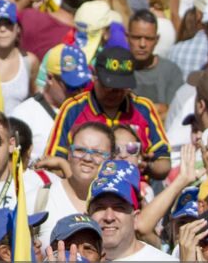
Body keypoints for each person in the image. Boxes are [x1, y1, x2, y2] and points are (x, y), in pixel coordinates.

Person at [46, 46, 172, 181]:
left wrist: (146, 166)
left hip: (134, 194)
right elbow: (53, 163)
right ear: (95, 77)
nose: (115, 93)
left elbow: (164, 163)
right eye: (109, 86)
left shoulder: (143, 108)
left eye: (121, 87)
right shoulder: (73, 109)